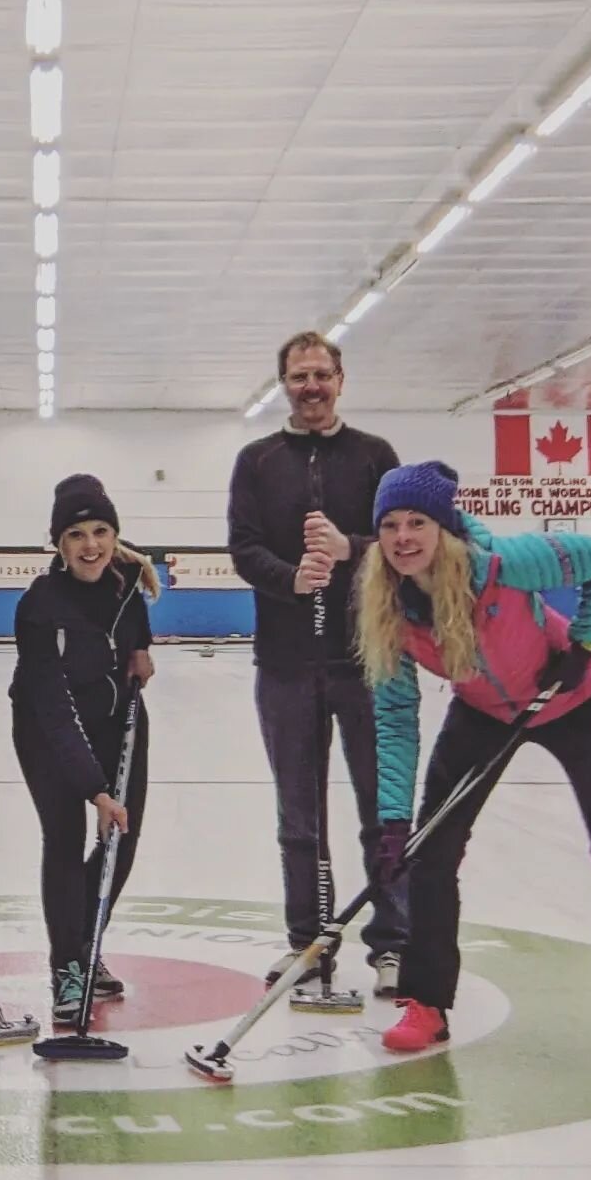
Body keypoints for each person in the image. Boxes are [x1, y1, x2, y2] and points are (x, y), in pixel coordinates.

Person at [357, 461, 591, 1061]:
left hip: (572, 701)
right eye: (390, 525)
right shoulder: (389, 608)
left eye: (417, 522)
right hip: (482, 711)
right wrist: (393, 821)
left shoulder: (505, 564)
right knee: (431, 855)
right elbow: (396, 720)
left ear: (445, 527)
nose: (403, 537)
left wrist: (584, 645)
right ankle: (427, 1002)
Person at [227, 330, 405, 998]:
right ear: (284, 385)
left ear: (340, 379)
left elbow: (402, 542)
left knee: (377, 809)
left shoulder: (375, 457)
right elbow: (243, 547)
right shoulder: (257, 461)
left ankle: (391, 945)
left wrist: (349, 546)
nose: (311, 387)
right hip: (285, 666)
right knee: (298, 818)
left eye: (321, 375)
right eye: (298, 376)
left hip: (364, 663)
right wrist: (291, 579)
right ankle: (309, 943)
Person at [10, 476, 158, 1023]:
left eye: (100, 531)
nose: (90, 545)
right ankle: (66, 967)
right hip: (47, 732)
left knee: (123, 840)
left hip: (119, 724)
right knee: (67, 839)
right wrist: (95, 788)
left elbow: (134, 635)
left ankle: (86, 940)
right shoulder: (39, 606)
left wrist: (141, 652)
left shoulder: (127, 588)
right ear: (59, 543)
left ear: (115, 534)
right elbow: (52, 704)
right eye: (76, 534)